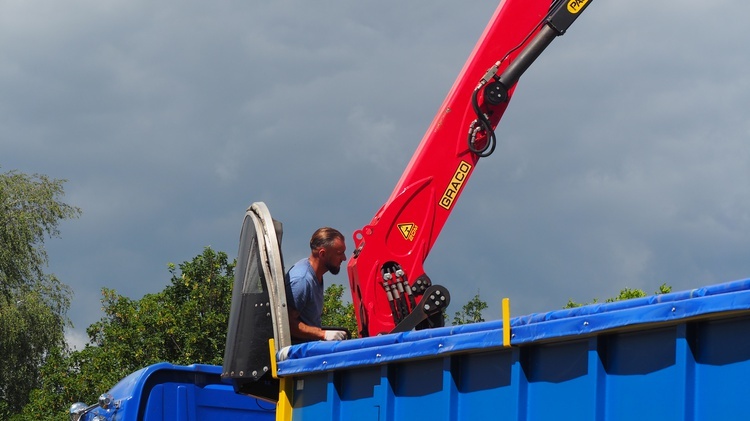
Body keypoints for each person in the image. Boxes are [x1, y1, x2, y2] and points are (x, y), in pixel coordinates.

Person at [285, 227, 348, 342]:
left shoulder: (315, 274)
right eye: (340, 253)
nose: (344, 258)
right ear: (322, 254)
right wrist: (323, 334)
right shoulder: (302, 280)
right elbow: (286, 323)